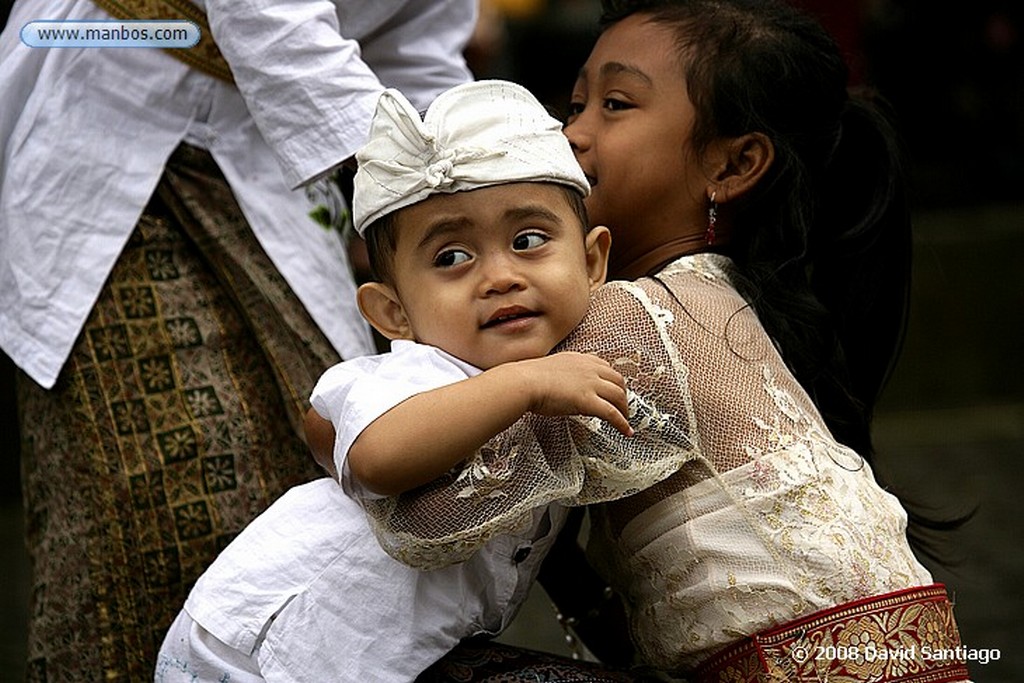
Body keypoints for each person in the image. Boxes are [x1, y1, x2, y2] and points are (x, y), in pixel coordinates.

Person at [368, 2, 974, 681]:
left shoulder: (631, 320)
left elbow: (420, 520)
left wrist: (347, 420)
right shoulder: (719, 299)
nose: (571, 134)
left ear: (733, 163)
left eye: (616, 105)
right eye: (574, 106)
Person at [0, 0, 478, 679]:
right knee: (161, 507)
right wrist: (422, 187)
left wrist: (477, 190)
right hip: (114, 107)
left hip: (280, 159)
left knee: (309, 463)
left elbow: (417, 50)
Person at [156, 79, 678, 683]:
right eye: (452, 257)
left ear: (591, 262)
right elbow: (378, 457)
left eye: (528, 241)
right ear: (393, 314)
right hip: (265, 653)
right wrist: (526, 385)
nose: (500, 276)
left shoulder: (572, 370)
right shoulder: (412, 375)